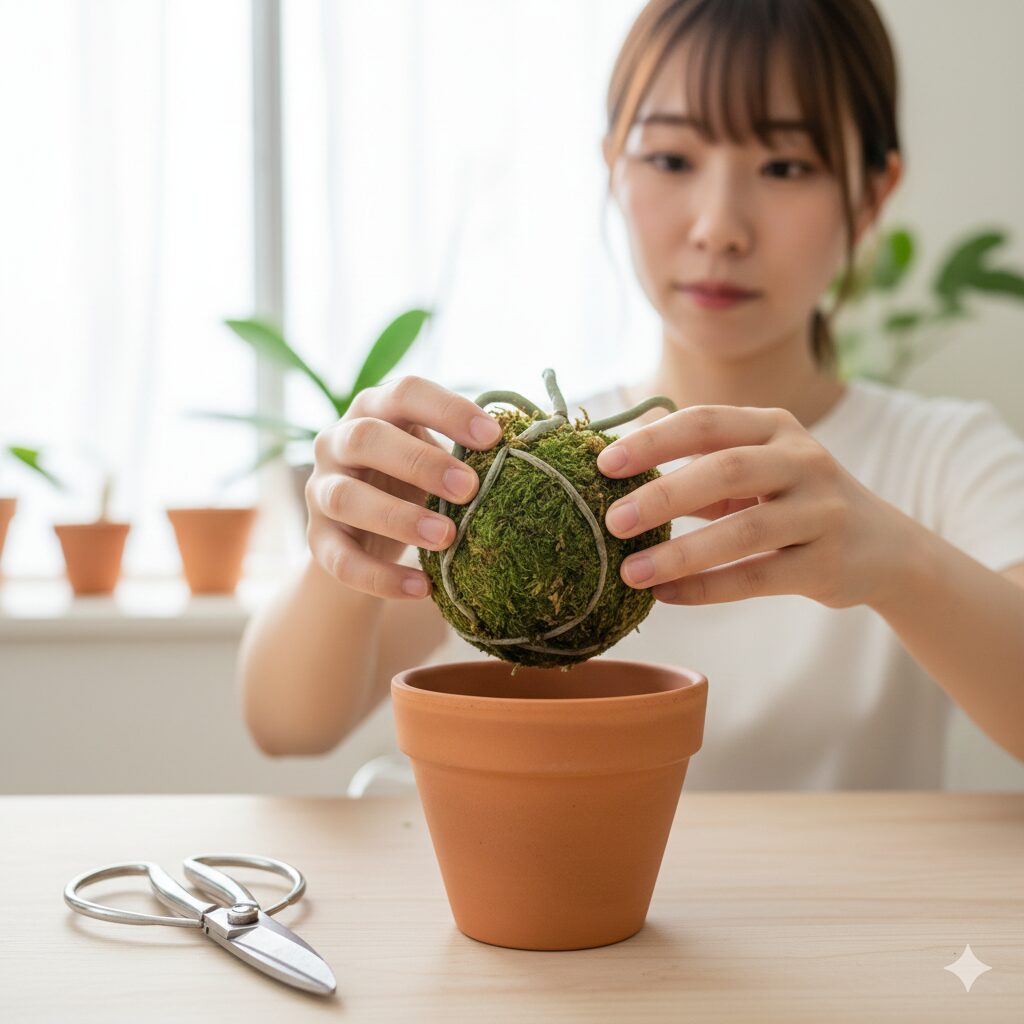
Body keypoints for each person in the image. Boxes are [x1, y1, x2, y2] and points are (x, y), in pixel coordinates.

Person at [237, 0, 1024, 788]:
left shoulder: (944, 457)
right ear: (613, 162)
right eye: (672, 159)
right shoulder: (514, 476)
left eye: (785, 167)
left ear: (872, 193)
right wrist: (349, 557)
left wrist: (901, 565)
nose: (719, 227)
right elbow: (286, 726)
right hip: (570, 908)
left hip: (850, 910)